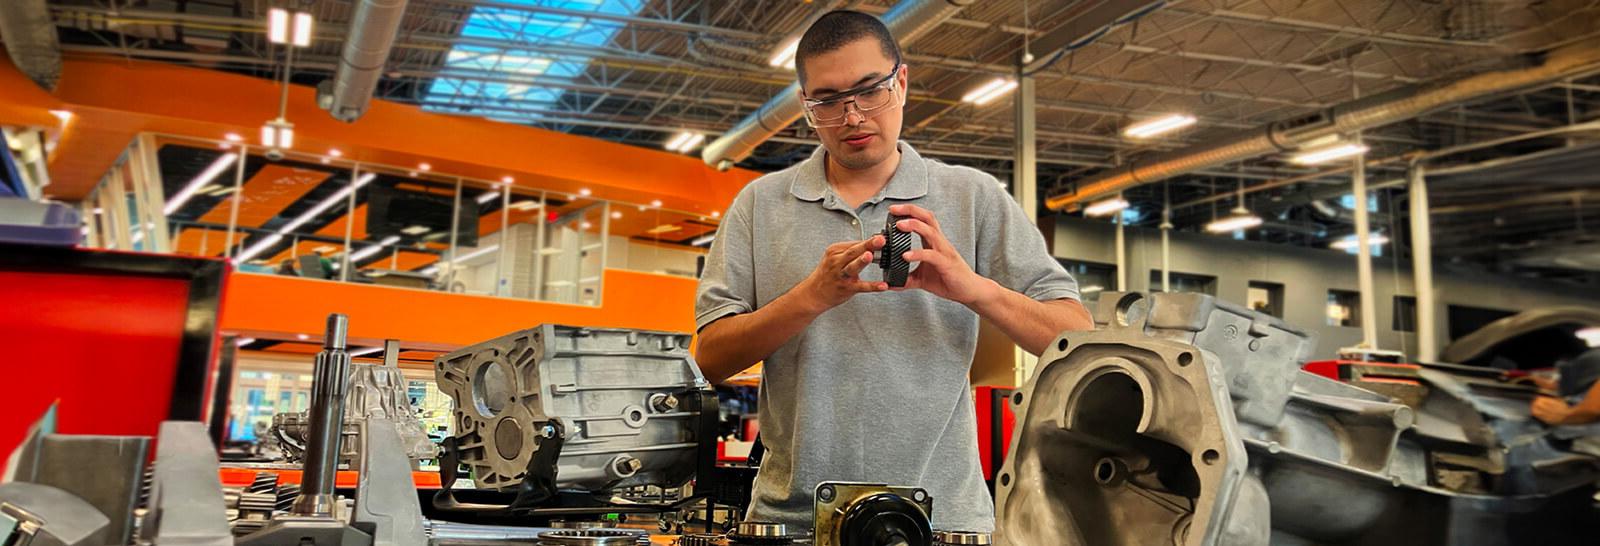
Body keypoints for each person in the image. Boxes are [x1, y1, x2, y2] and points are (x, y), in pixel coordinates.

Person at [693, 10, 1095, 533]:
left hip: (942, 521)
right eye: (829, 101)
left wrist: (973, 289)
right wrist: (811, 297)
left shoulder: (973, 198)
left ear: (900, 82)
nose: (853, 117)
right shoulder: (759, 205)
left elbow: (1078, 337)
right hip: (791, 521)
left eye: (870, 91)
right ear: (806, 107)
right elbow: (712, 359)